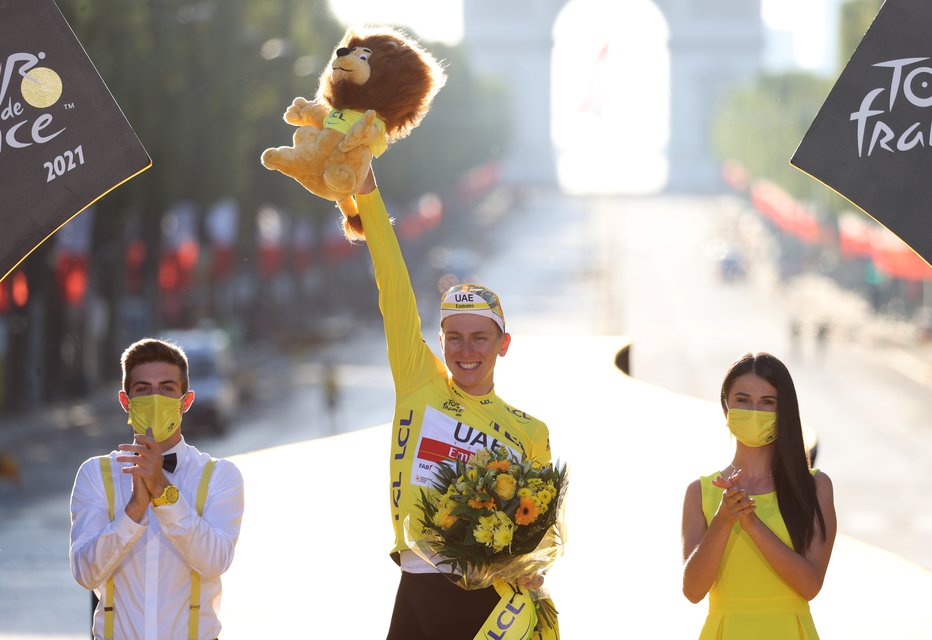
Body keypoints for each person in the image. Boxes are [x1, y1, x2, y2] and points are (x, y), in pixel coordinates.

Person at [353, 169, 555, 640]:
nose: (467, 352)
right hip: (416, 581)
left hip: (488, 603)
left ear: (503, 344)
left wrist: (534, 566)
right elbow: (393, 285)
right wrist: (366, 190)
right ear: (439, 341)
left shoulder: (530, 430)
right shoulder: (419, 383)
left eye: (480, 339)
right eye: (455, 339)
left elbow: (541, 531)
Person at [69, 338, 244, 640]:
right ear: (126, 401)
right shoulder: (95, 474)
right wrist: (133, 511)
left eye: (166, 388)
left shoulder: (220, 476)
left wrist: (164, 493)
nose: (155, 399)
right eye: (143, 390)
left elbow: (215, 561)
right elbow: (86, 574)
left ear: (185, 401)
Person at [681, 352, 837, 639]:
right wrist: (723, 520)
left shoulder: (815, 487)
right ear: (726, 405)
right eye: (743, 400)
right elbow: (692, 591)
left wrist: (752, 524)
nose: (754, 411)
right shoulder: (700, 492)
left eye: (768, 402)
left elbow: (810, 585)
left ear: (784, 411)